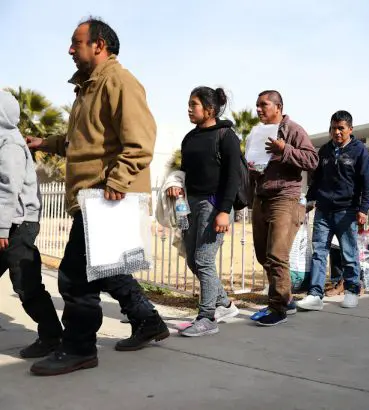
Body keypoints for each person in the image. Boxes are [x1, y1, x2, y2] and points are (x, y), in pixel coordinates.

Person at [26, 18, 169, 376]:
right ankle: (147, 320)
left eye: (77, 43)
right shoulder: (87, 89)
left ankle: (78, 349)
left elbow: (141, 140)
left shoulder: (119, 82)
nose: (70, 50)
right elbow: (81, 140)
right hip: (93, 196)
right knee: (106, 269)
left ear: (99, 45)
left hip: (107, 195)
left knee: (75, 277)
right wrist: (44, 143)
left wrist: (117, 181)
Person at [165, 87, 240, 337]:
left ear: (209, 109)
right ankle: (226, 305)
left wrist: (223, 211)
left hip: (214, 205)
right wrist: (176, 188)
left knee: (204, 260)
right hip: (190, 205)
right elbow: (185, 173)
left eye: (193, 104)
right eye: (188, 104)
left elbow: (233, 177)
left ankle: (207, 318)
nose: (189, 109)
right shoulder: (189, 138)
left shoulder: (226, 136)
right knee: (191, 259)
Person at [0, 91, 63, 359]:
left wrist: (2, 228)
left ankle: (52, 336)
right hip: (9, 223)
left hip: (18, 224)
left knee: (26, 282)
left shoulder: (10, 144)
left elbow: (8, 188)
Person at [249, 90, 318, 326]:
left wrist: (284, 150)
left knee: (277, 254)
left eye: (264, 105)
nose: (258, 109)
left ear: (278, 107)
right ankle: (286, 299)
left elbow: (312, 160)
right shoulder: (257, 132)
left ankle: (277, 308)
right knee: (263, 254)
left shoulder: (293, 130)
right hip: (261, 197)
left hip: (285, 198)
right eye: (257, 105)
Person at [298, 110, 369, 311]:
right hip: (323, 210)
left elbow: (368, 183)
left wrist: (363, 209)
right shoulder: (324, 150)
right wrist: (309, 200)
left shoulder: (360, 151)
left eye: (341, 128)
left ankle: (351, 291)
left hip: (347, 211)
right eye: (333, 128)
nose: (337, 132)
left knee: (349, 254)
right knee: (319, 252)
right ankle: (315, 294)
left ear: (350, 129)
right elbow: (317, 179)